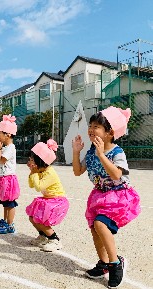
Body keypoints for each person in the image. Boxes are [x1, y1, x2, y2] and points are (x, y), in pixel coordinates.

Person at [72, 106, 141, 288]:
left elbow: (117, 175)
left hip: (118, 196)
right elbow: (78, 171)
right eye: (91, 126)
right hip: (100, 196)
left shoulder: (117, 152)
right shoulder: (90, 152)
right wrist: (76, 152)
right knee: (95, 228)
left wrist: (102, 154)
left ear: (110, 133)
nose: (91, 130)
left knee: (101, 225)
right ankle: (103, 263)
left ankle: (116, 263)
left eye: (96, 127)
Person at [26, 139, 69, 252]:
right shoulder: (40, 171)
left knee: (41, 220)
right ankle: (43, 236)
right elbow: (31, 185)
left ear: (40, 161)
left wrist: (34, 173)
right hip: (47, 199)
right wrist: (32, 172)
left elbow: (39, 187)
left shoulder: (50, 173)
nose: (30, 161)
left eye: (32, 159)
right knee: (32, 217)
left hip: (56, 201)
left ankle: (54, 239)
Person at [0, 114, 20, 234]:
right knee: (5, 203)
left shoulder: (10, 147)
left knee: (10, 203)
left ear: (7, 134)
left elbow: (2, 160)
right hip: (2, 178)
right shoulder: (5, 147)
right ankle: (5, 221)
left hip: (8, 179)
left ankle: (10, 224)